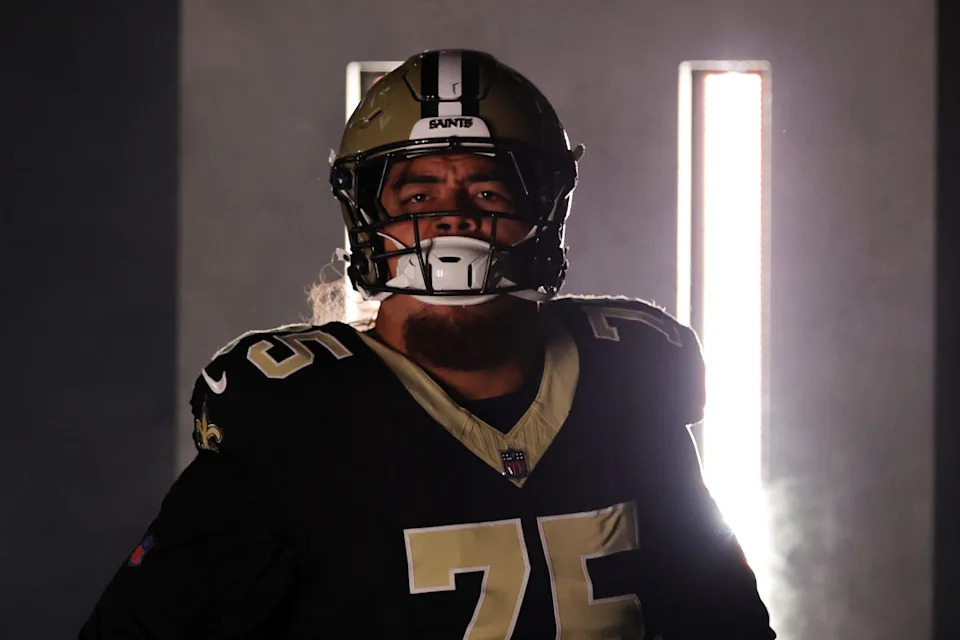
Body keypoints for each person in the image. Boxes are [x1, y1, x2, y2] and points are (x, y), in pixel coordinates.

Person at [81, 49, 775, 639]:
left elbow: (726, 626)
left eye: (488, 192)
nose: (453, 217)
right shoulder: (297, 420)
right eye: (417, 197)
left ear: (543, 210)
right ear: (365, 218)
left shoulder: (625, 383)